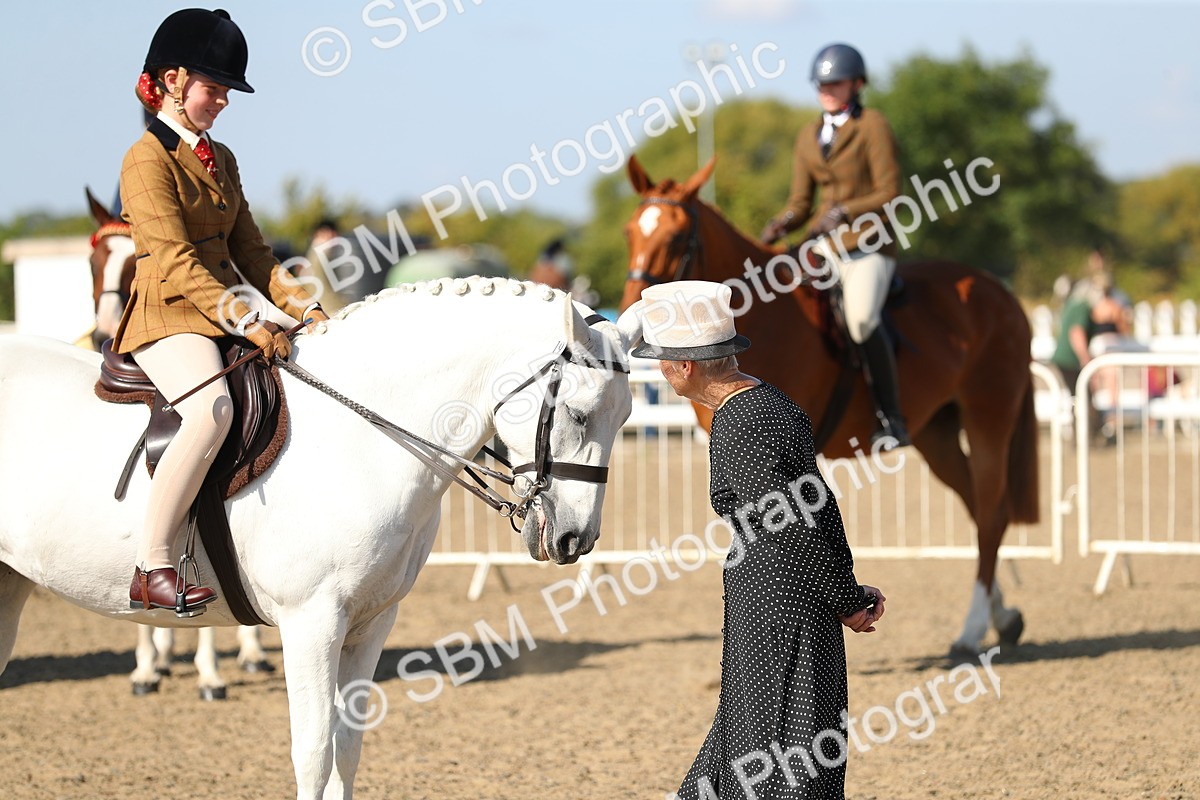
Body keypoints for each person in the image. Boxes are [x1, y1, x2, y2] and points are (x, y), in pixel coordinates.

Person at [629, 280, 885, 799]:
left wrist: (844, 597)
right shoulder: (770, 402)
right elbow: (821, 507)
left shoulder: (739, 423)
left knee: (772, 746)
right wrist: (847, 591)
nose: (660, 369)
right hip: (790, 599)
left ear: (688, 367)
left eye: (663, 360)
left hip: (778, 603)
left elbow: (790, 528)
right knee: (763, 739)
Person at [114, 8, 328, 614]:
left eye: (228, 90)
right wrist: (249, 319)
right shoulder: (144, 160)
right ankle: (151, 561)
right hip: (168, 314)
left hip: (223, 308)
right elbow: (177, 261)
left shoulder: (222, 158)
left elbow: (252, 251)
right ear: (176, 81)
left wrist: (305, 308)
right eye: (216, 88)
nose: (225, 101)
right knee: (211, 410)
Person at [760, 43, 908, 449]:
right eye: (822, 83)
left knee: (860, 319)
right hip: (824, 246)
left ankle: (891, 416)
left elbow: (889, 192)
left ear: (857, 84)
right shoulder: (808, 136)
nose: (827, 89)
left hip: (869, 242)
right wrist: (779, 224)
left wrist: (843, 211)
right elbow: (800, 203)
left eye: (836, 82)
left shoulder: (872, 125)